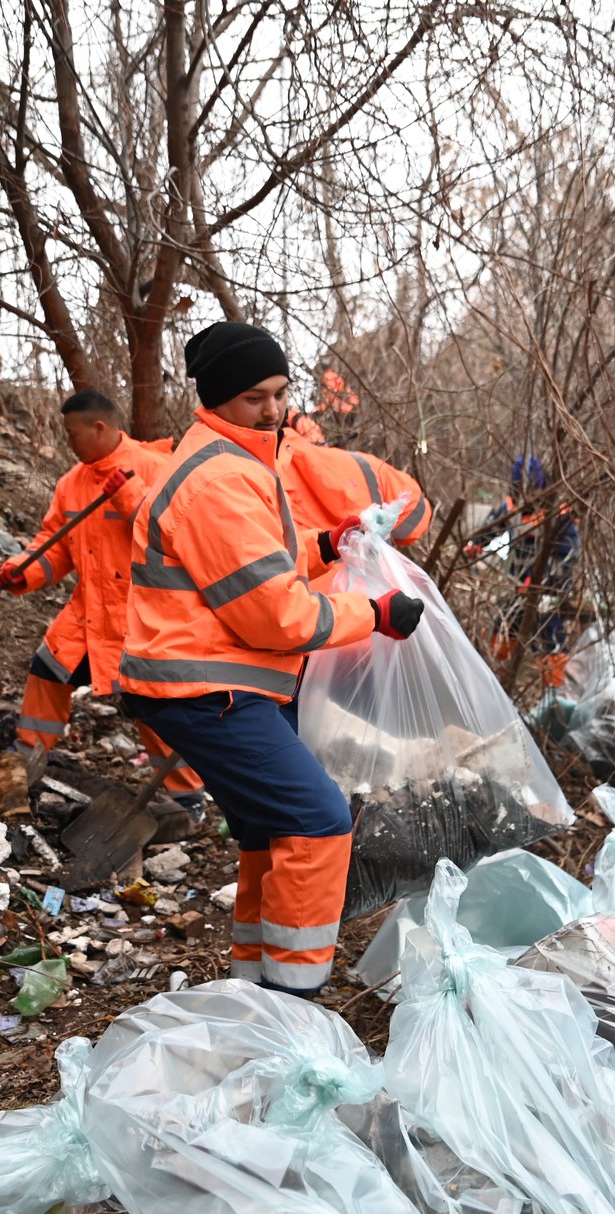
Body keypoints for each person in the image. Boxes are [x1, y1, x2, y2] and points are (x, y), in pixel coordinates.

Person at [119, 321, 425, 997]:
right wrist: (374, 614)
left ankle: (253, 991)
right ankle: (292, 1005)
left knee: (268, 830)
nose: (273, 410)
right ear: (216, 398)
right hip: (206, 690)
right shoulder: (219, 480)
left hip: (211, 683)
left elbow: (260, 563)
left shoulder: (230, 460)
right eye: (254, 397)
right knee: (317, 821)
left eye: (281, 393)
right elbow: (277, 615)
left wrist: (326, 544)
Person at [0, 391, 202, 815]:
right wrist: (21, 571)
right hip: (88, 614)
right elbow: (54, 548)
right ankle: (25, 762)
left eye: (73, 434)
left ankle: (187, 798)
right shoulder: (71, 484)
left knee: (150, 704)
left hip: (144, 617)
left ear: (99, 428)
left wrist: (131, 497)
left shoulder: (155, 468)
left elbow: (179, 540)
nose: (69, 442)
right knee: (47, 671)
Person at [468, 455, 578, 685]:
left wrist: (542, 583)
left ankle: (558, 691)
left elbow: (568, 558)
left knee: (550, 638)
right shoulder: (513, 506)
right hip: (515, 586)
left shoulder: (558, 515)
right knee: (501, 631)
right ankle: (494, 682)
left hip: (547, 592)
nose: (528, 495)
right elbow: (493, 525)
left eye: (532, 490)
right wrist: (476, 543)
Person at [279, 426, 433, 568]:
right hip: (357, 583)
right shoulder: (362, 466)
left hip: (323, 584)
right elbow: (417, 513)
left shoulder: (265, 486)